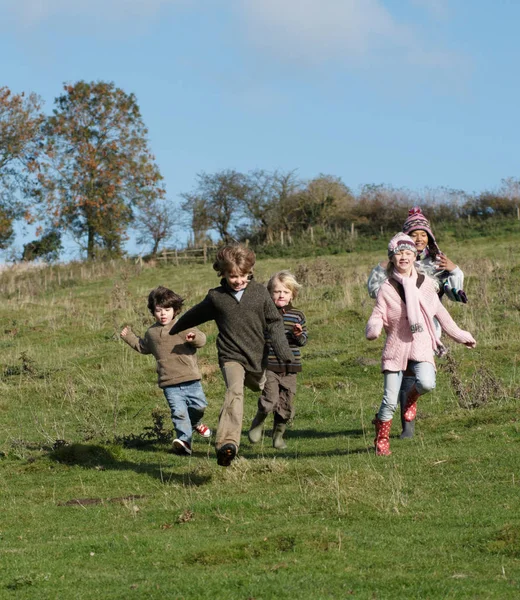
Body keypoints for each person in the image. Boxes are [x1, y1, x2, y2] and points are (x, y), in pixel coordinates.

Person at [168, 245, 294, 467]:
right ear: (223, 273)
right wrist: (175, 327)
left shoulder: (259, 293)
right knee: (234, 392)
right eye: (233, 276)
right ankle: (227, 445)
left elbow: (274, 322)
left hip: (257, 357)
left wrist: (283, 351)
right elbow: (196, 313)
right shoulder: (217, 297)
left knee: (258, 385)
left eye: (243, 276)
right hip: (230, 355)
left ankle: (258, 410)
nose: (238, 280)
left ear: (250, 272)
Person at [366, 233, 476, 456]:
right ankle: (382, 439)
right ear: (392, 258)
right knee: (389, 400)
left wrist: (461, 335)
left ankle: (410, 399)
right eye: (398, 253)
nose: (403, 257)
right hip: (396, 347)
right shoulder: (386, 287)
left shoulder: (426, 284)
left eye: (407, 253)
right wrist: (373, 328)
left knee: (426, 383)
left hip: (422, 344)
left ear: (414, 256)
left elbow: (441, 314)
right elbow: (378, 314)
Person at [120, 286, 211, 456]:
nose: (163, 314)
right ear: (153, 312)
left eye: (167, 310)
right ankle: (184, 442)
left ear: (175, 310)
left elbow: (202, 339)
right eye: (158, 310)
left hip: (191, 378)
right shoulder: (152, 333)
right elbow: (143, 347)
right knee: (178, 413)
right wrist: (129, 336)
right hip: (169, 383)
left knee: (199, 407)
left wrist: (194, 337)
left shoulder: (184, 325)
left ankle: (196, 423)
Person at [248, 270, 308, 449]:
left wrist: (299, 335)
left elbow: (303, 340)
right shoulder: (264, 313)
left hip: (290, 367)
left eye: (286, 291)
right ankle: (258, 422)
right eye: (277, 291)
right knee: (270, 400)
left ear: (292, 294)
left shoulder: (298, 315)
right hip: (270, 365)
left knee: (286, 405)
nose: (281, 295)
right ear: (269, 293)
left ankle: (278, 436)